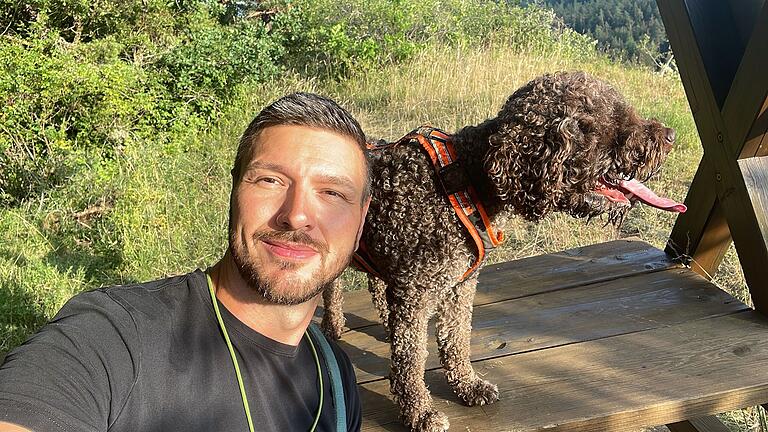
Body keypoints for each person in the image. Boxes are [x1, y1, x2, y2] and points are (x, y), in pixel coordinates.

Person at [0, 92, 372, 432]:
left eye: (332, 192)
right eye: (270, 180)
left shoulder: (335, 379)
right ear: (234, 192)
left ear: (361, 220)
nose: (297, 215)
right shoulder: (113, 338)